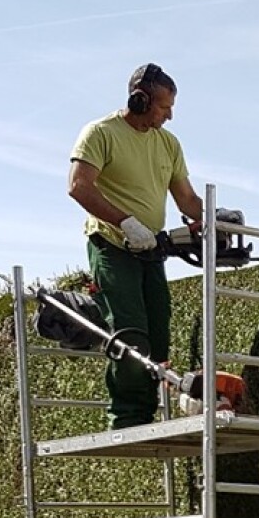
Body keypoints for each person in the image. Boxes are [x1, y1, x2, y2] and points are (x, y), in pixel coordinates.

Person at [66, 63, 206, 429]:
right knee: (129, 331)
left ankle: (149, 412)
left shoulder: (168, 144)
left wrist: (211, 219)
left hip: (152, 251)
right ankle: (128, 417)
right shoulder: (101, 133)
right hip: (111, 245)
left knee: (158, 329)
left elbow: (187, 199)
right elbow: (79, 186)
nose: (170, 115)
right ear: (140, 100)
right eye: (163, 107)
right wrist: (125, 222)